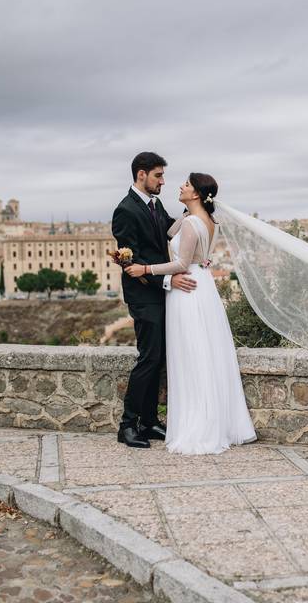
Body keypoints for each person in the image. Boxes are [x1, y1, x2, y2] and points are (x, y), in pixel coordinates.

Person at [124, 173, 257, 454]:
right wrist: (187, 213)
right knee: (206, 351)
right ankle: (214, 420)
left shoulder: (193, 223)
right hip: (204, 285)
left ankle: (197, 424)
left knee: (190, 354)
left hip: (186, 288)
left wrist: (144, 269)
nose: (180, 187)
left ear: (196, 193)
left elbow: (181, 262)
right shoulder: (209, 222)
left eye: (186, 185)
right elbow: (171, 234)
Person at [111, 152, 196, 449]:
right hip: (144, 295)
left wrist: (194, 215)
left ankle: (148, 422)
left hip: (162, 293)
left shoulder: (154, 204)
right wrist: (167, 279)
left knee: (158, 358)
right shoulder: (125, 210)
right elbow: (132, 262)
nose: (162, 181)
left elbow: (167, 232)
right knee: (148, 358)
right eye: (158, 175)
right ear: (141, 175)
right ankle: (127, 425)